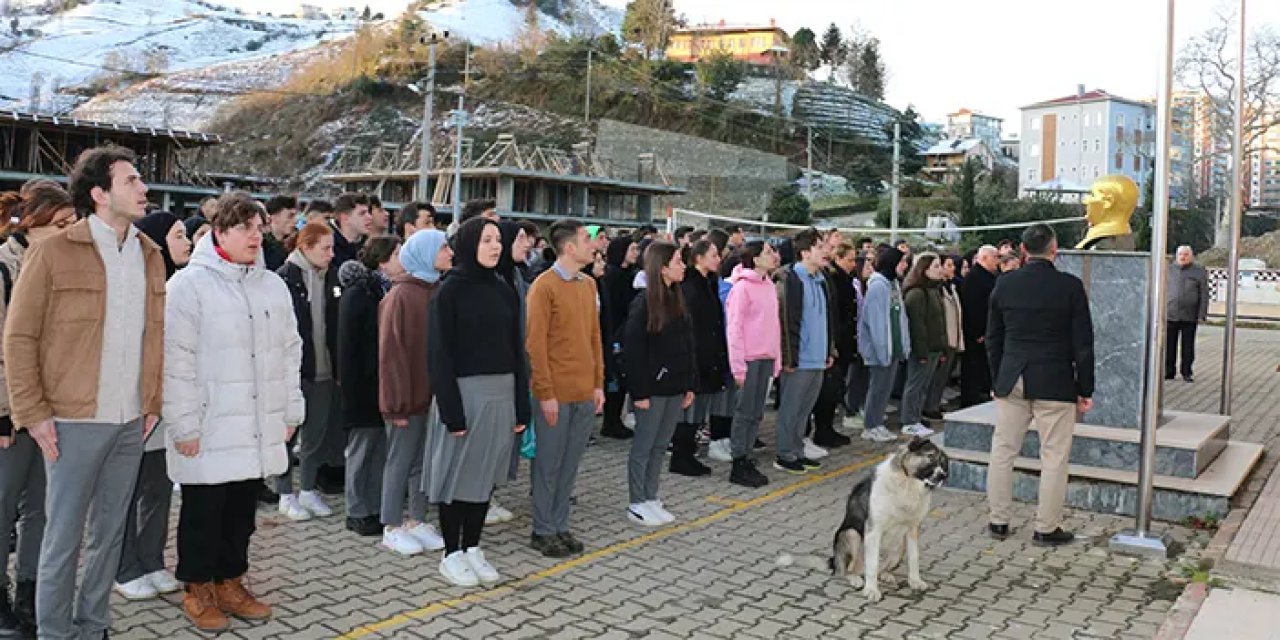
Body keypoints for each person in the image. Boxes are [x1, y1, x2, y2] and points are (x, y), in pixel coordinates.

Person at [3, 147, 165, 640]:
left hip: (131, 419)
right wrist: (32, 412)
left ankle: (93, 627)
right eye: (131, 180)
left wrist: (152, 402)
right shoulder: (54, 251)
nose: (143, 189)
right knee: (62, 538)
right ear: (99, 193)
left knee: (109, 535)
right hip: (72, 420)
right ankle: (55, 632)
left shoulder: (149, 253)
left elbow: (154, 334)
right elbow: (19, 336)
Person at [164, 192, 303, 631]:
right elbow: (175, 361)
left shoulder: (272, 285)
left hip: (256, 422)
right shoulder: (188, 286)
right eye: (244, 228)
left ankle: (230, 581)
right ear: (219, 232)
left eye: (259, 228)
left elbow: (290, 352)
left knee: (242, 512)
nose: (255, 236)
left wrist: (290, 411)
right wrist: (183, 424)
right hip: (210, 422)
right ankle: (197, 587)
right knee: (204, 511)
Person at [425, 217, 530, 587]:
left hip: (502, 393)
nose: (495, 246)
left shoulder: (503, 288)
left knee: (484, 477)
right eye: (486, 239)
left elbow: (517, 351)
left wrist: (521, 404)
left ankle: (472, 546)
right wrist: (452, 411)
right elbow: (439, 355)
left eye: (497, 239)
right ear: (469, 244)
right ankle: (451, 553)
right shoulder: (449, 291)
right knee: (457, 476)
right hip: (465, 395)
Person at [986, 224, 1094, 547]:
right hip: (1055, 379)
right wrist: (1085, 388)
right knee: (1054, 456)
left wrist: (997, 379)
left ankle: (998, 520)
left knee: (1003, 450)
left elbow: (993, 338)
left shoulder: (1005, 284)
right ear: (1054, 250)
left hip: (1012, 377)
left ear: (1022, 250)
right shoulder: (1070, 287)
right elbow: (1083, 343)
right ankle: (1046, 527)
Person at [0, 181, 74, 636]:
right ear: (33, 224)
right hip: (11, 413)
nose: (70, 232)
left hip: (52, 411)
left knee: (42, 510)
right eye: (61, 224)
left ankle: (31, 591)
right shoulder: (4, 268)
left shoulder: (61, 267)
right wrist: (4, 412)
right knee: (3, 506)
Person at [113, 211, 192, 602]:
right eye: (179, 235)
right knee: (126, 491)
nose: (188, 242)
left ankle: (151, 559)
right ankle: (123, 566)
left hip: (166, 404)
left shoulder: (179, 285)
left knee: (157, 487)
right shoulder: (138, 284)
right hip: (135, 403)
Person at [524, 219, 605, 558]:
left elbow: (594, 338)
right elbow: (535, 344)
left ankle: (560, 525)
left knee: (570, 464)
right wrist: (545, 393)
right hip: (554, 395)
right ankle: (543, 529)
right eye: (587, 239)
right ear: (569, 248)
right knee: (549, 464)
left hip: (584, 392)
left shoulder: (588, 285)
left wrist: (598, 384)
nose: (594, 245)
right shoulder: (544, 286)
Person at [379, 230, 451, 556]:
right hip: (406, 400)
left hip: (430, 397)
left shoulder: (436, 290)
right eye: (443, 247)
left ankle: (417, 519)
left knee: (422, 461)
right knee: (400, 460)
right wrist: (396, 405)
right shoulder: (401, 296)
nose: (449, 252)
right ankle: (391, 524)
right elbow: (391, 355)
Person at [623, 243, 696, 526]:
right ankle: (636, 501)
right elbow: (633, 350)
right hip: (652, 390)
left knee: (660, 445)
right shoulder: (644, 302)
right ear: (662, 267)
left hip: (674, 388)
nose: (683, 266)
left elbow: (687, 345)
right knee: (644, 445)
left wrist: (689, 384)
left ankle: (651, 495)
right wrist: (639, 391)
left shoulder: (677, 298)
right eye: (678, 261)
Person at [337, 236, 403, 537]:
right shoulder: (358, 294)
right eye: (397, 254)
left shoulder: (383, 289)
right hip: (362, 387)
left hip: (381, 385)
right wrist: (351, 389)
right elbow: (347, 347)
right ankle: (356, 510)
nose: (402, 259)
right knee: (361, 451)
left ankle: (373, 506)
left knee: (379, 451)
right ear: (382, 260)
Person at [275, 222, 342, 520]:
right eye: (325, 248)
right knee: (287, 435)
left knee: (315, 435)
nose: (331, 254)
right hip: (296, 371)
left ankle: (308, 489)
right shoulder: (284, 279)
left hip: (325, 370)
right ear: (306, 247)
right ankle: (285, 493)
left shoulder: (331, 277)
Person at [773, 228, 837, 475]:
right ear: (805, 252)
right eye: (819, 247)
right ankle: (785, 454)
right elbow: (785, 321)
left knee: (805, 410)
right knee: (791, 409)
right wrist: (789, 357)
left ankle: (798, 450)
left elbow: (827, 319)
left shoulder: (822, 280)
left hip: (818, 357)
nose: (825, 252)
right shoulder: (791, 281)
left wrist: (829, 349)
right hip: (799, 358)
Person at [724, 241, 781, 488]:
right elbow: (734, 329)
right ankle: (738, 461)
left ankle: (747, 455)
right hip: (749, 359)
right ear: (755, 259)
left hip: (766, 358)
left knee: (757, 412)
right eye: (768, 252)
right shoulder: (742, 288)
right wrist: (738, 365)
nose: (774, 256)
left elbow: (774, 325)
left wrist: (777, 359)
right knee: (745, 411)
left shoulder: (769, 285)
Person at [675, 240, 725, 476]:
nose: (718, 259)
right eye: (713, 255)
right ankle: (681, 456)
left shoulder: (709, 283)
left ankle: (688, 453)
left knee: (699, 408)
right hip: (695, 356)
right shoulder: (690, 287)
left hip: (708, 356)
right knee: (690, 410)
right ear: (698, 258)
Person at [809, 242, 860, 448]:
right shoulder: (833, 278)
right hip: (835, 341)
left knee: (835, 387)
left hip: (843, 340)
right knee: (828, 389)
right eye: (850, 259)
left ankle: (827, 428)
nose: (853, 264)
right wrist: (833, 342)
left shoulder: (840, 278)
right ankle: (822, 430)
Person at [858, 247, 911, 443]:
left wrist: (903, 344)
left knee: (885, 389)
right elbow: (876, 322)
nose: (905, 266)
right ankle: (870, 426)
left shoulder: (893, 284)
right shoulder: (878, 286)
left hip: (893, 347)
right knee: (878, 388)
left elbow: (900, 316)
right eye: (902, 262)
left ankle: (878, 422)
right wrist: (881, 351)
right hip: (880, 349)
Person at [900, 253, 946, 438]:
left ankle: (916, 417)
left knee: (923, 385)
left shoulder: (933, 290)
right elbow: (917, 326)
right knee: (915, 384)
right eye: (936, 266)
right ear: (924, 270)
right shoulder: (917, 294)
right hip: (923, 349)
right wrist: (921, 352)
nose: (940, 269)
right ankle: (909, 421)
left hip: (934, 347)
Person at [601, 236, 641, 439]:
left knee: (622, 380)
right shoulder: (613, 276)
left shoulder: (630, 275)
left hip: (626, 333)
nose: (636, 253)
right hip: (615, 333)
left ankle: (616, 419)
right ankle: (611, 421)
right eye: (632, 249)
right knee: (614, 381)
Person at [960, 245, 999, 407]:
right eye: (995, 257)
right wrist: (978, 331)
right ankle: (971, 397)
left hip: (986, 329)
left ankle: (980, 393)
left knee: (981, 366)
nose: (997, 261)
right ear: (984, 258)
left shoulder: (987, 277)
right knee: (973, 366)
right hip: (976, 332)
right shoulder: (974, 278)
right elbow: (972, 307)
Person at [926, 255, 965, 418]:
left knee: (943, 375)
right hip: (943, 336)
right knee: (936, 375)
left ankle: (935, 403)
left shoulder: (952, 286)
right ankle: (929, 406)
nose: (952, 268)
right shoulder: (937, 289)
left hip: (953, 335)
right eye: (948, 265)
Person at [1166, 245, 1208, 382]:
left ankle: (1186, 372)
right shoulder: (1168, 270)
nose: (1183, 257)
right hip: (1170, 314)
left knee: (1188, 346)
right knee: (1169, 345)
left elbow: (1204, 294)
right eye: (1180, 254)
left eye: (1186, 254)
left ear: (1191, 256)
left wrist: (1202, 314)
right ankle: (1168, 371)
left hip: (1189, 315)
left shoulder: (1199, 272)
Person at [330, 193, 371, 268]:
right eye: (362, 213)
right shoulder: (327, 247)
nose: (369, 217)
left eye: (368, 212)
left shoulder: (368, 246)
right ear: (345, 218)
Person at [263, 195, 297, 271]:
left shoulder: (297, 243)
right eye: (290, 216)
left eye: (295, 216)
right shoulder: (259, 244)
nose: (295, 221)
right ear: (274, 217)